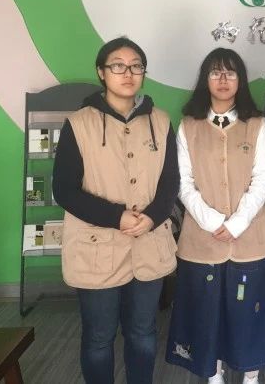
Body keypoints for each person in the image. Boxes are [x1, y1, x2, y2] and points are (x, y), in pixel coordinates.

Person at [53, 37, 179, 384]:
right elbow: (64, 190)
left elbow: (171, 181)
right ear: (101, 72)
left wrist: (152, 217)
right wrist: (116, 216)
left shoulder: (161, 121)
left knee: (143, 333)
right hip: (97, 249)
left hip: (148, 244)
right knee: (99, 337)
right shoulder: (79, 124)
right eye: (118, 66)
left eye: (136, 66)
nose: (128, 73)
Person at [166, 48, 265, 384]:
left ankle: (250, 375)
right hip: (202, 240)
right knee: (208, 312)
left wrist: (236, 223)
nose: (222, 79)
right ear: (205, 79)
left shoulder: (256, 125)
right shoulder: (188, 126)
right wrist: (212, 221)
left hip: (251, 238)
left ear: (240, 80)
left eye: (230, 73)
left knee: (250, 311)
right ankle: (213, 373)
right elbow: (182, 181)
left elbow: (264, 178)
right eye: (215, 72)